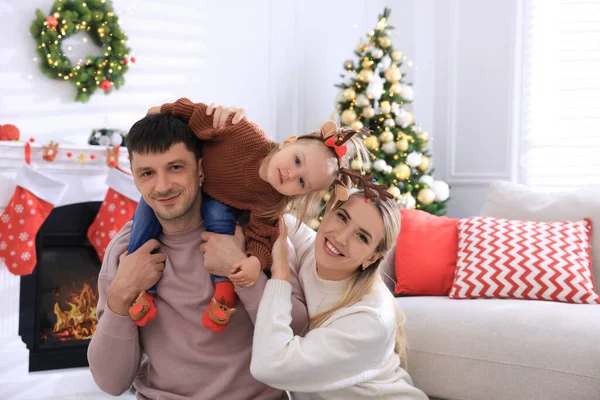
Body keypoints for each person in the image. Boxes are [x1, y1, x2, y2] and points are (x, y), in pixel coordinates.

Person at [87, 113, 309, 399]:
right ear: (134, 177)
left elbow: (300, 336)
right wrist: (121, 294)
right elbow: (110, 382)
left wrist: (242, 274)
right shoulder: (125, 252)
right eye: (147, 173)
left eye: (175, 167)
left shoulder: (257, 234)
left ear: (201, 170)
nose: (163, 186)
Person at [127, 98, 373, 333]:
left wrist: (255, 262)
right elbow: (199, 114)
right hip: (192, 185)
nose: (290, 173)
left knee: (220, 222)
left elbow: (263, 234)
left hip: (218, 200)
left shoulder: (271, 200)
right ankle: (143, 291)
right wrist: (165, 110)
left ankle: (223, 294)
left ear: (302, 193)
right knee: (144, 220)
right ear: (288, 142)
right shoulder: (243, 133)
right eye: (297, 160)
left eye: (301, 181)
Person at [249, 189, 429, 399]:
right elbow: (268, 212)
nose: (341, 238)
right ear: (330, 212)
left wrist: (280, 274)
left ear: (372, 258)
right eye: (342, 217)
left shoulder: (370, 320)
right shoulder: (312, 248)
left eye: (361, 236)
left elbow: (268, 366)